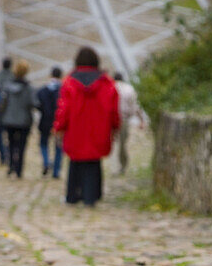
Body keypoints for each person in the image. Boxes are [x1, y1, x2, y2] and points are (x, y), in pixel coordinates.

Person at [53, 47, 120, 206]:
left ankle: (73, 195)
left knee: (75, 162)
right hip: (98, 129)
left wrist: (59, 127)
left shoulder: (69, 82)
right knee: (93, 163)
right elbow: (113, 109)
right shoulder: (106, 83)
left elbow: (64, 108)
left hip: (75, 129)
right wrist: (115, 127)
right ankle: (92, 195)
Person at [0, 59, 36, 178]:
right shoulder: (29, 88)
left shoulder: (7, 86)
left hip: (9, 119)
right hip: (24, 121)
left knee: (10, 144)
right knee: (21, 146)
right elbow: (33, 103)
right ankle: (19, 168)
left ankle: (11, 165)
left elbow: (3, 102)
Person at [113, 72, 144, 175]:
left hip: (110, 119)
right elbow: (135, 106)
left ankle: (115, 166)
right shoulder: (129, 89)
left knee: (113, 143)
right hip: (124, 119)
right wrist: (141, 120)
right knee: (122, 144)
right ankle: (122, 165)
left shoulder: (110, 87)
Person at [35, 67, 64, 177]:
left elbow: (38, 104)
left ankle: (46, 161)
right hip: (58, 121)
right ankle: (56, 171)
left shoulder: (43, 90)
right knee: (58, 147)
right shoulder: (62, 90)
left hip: (45, 121)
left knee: (43, 144)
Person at [0, 58, 14, 165]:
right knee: (10, 134)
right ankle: (9, 153)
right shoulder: (13, 76)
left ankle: (2, 155)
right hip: (10, 110)